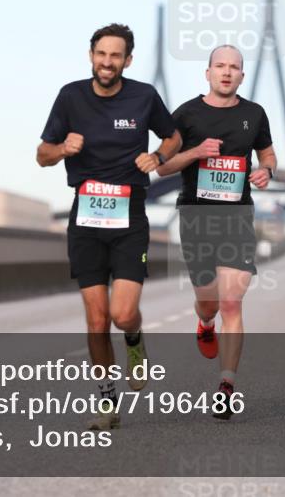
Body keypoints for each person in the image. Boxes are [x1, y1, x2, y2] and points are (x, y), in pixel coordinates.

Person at [37, 23, 180, 430]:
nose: (107, 62)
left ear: (127, 61)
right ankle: (106, 401)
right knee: (96, 320)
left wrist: (156, 156)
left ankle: (135, 340)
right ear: (91, 55)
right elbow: (41, 154)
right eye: (102, 54)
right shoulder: (70, 96)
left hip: (130, 216)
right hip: (85, 217)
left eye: (116, 56)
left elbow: (173, 138)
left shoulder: (143, 97)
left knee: (121, 314)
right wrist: (63, 148)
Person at [155, 44, 276, 420]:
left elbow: (268, 154)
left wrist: (266, 171)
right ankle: (204, 323)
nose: (227, 72)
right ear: (207, 73)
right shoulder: (186, 114)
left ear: (242, 74)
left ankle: (226, 385)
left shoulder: (254, 114)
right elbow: (161, 166)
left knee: (232, 303)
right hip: (196, 219)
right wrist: (195, 153)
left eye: (235, 67)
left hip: (237, 218)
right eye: (220, 66)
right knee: (209, 303)